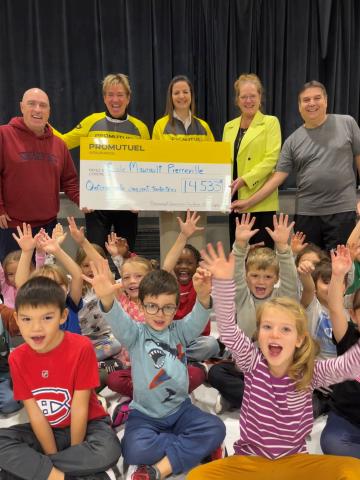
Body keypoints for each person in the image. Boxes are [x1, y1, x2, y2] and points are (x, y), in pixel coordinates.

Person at [187, 242, 360, 479]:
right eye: (267, 327)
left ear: (300, 339)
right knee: (198, 476)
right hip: (250, 461)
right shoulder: (251, 361)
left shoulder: (311, 371)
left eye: (285, 329)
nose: (275, 334)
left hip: (294, 461)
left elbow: (350, 363)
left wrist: (339, 275)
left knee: (353, 470)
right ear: (259, 333)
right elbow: (227, 328)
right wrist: (225, 282)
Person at [83, 260, 225, 480]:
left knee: (216, 428)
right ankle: (195, 447)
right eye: (152, 306)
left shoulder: (181, 330)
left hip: (181, 409)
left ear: (176, 308)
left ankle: (159, 468)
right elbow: (118, 320)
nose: (160, 314)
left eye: (168, 307)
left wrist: (204, 296)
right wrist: (106, 298)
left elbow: (198, 319)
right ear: (141, 305)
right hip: (145, 414)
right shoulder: (135, 334)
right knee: (133, 450)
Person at [0, 276, 121, 480]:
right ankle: (67, 475)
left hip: (88, 424)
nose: (36, 328)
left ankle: (33, 469)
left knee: (108, 450)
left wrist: (75, 450)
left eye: (47, 318)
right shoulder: (17, 357)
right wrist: (55, 465)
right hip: (47, 428)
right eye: (26, 319)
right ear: (17, 319)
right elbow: (35, 414)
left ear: (63, 316)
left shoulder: (80, 347)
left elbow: (80, 407)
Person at [231, 80, 360, 251]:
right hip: (306, 215)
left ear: (326, 101)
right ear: (299, 106)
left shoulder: (347, 123)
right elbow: (276, 178)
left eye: (317, 98)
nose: (312, 103)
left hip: (342, 212)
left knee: (341, 270)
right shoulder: (293, 140)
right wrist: (248, 202)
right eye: (306, 100)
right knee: (306, 268)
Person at [207, 212, 298, 413]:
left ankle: (240, 398)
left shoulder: (282, 299)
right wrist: (239, 246)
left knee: (296, 377)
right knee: (215, 373)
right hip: (245, 367)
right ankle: (261, 400)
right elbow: (236, 275)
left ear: (276, 279)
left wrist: (283, 248)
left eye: (267, 276)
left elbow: (292, 282)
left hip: (275, 368)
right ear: (247, 277)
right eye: (255, 275)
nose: (260, 281)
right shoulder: (243, 296)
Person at [54, 73, 150, 251]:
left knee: (127, 256)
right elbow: (63, 143)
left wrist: (141, 199)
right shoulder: (92, 122)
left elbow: (147, 168)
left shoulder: (140, 128)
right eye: (110, 94)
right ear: (104, 98)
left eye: (120, 94)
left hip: (127, 204)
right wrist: (44, 124)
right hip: (97, 204)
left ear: (128, 98)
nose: (115, 99)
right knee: (95, 256)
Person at [0, 88, 80, 262]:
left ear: (49, 111)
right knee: (14, 284)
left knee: (47, 280)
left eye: (43, 106)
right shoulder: (4, 134)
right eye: (32, 104)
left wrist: (86, 200)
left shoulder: (59, 144)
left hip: (48, 228)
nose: (37, 109)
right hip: (14, 229)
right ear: (21, 107)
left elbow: (70, 181)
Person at [152, 75, 214, 263]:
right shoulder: (160, 126)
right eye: (176, 92)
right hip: (169, 200)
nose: (181, 96)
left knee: (196, 249)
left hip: (196, 201)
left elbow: (214, 163)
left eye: (185, 92)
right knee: (171, 249)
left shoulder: (203, 127)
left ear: (191, 95)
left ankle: (198, 290)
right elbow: (153, 164)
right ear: (170, 97)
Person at [224, 73, 281, 248]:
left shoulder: (270, 122)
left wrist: (245, 180)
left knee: (262, 262)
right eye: (244, 96)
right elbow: (224, 163)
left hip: (261, 202)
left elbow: (271, 159)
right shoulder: (229, 126)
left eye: (252, 96)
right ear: (237, 99)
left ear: (260, 97)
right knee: (239, 258)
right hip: (235, 203)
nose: (248, 101)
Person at [320, 245, 360, 458]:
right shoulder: (349, 337)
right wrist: (337, 276)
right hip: (347, 421)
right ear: (354, 315)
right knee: (332, 444)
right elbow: (335, 306)